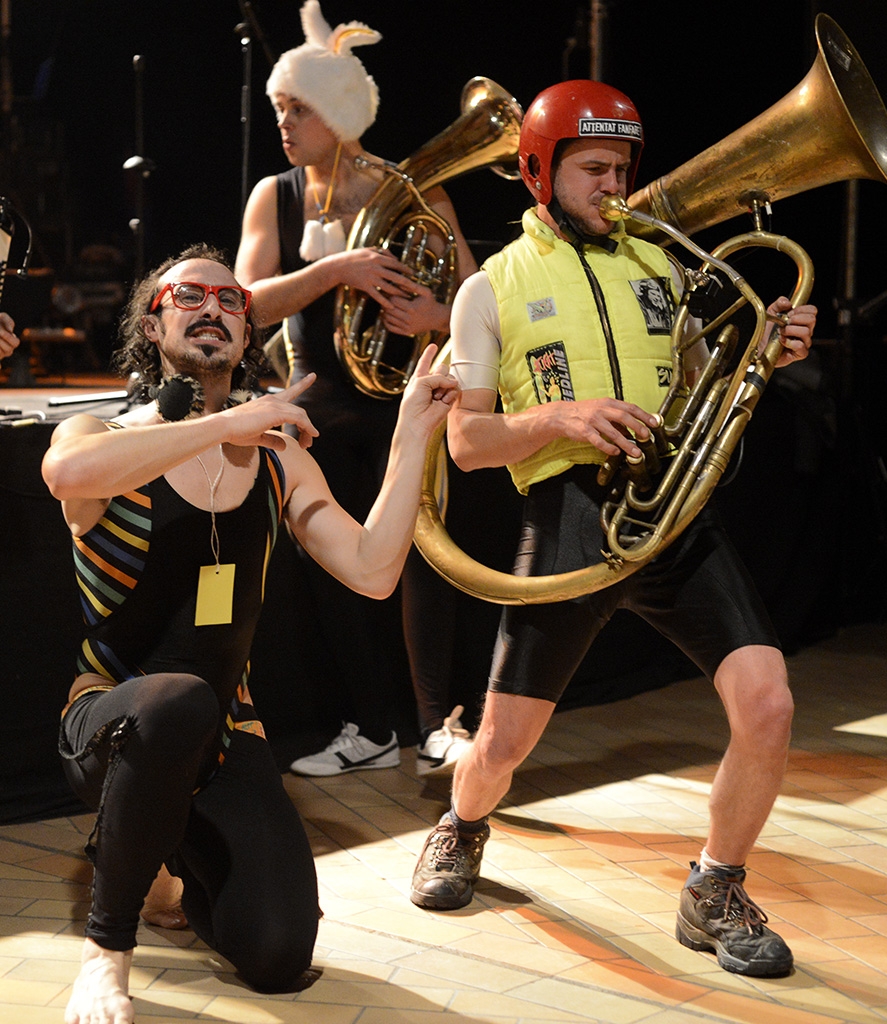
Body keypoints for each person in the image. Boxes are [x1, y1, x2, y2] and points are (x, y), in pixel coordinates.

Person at [407, 80, 817, 979]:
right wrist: (559, 420)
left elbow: (707, 378)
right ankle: (461, 825)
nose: (615, 186)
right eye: (593, 168)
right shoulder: (491, 287)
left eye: (622, 168)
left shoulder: (662, 265)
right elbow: (470, 443)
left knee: (770, 706)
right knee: (503, 750)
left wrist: (769, 346)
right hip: (572, 521)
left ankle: (714, 887)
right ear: (536, 173)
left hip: (675, 511)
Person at [42, 245, 456, 1024]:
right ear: (153, 320)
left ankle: (165, 850)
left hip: (225, 735)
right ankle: (107, 950)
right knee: (175, 703)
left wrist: (411, 439)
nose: (212, 308)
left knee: (277, 953)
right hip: (109, 720)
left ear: (247, 331)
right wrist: (230, 419)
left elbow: (372, 570)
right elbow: (66, 478)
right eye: (189, 295)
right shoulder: (104, 434)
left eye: (231, 300)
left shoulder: (279, 462)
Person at [235, 0, 478, 776]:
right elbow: (244, 303)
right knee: (328, 571)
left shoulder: (413, 189)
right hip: (319, 405)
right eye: (279, 107)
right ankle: (368, 727)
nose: (283, 122)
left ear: (339, 110)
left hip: (402, 399)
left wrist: (433, 313)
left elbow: (476, 298)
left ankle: (435, 724)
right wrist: (338, 270)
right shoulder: (273, 196)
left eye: (298, 107)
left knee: (424, 562)